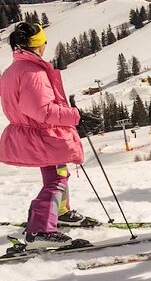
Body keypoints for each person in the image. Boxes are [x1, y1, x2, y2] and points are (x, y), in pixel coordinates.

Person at [0, 22, 90, 249]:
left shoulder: (13, 69)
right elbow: (40, 110)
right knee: (57, 179)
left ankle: (59, 212)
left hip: (31, 133)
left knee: (57, 174)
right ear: (39, 45)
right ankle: (40, 229)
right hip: (43, 135)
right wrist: (75, 117)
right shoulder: (33, 72)